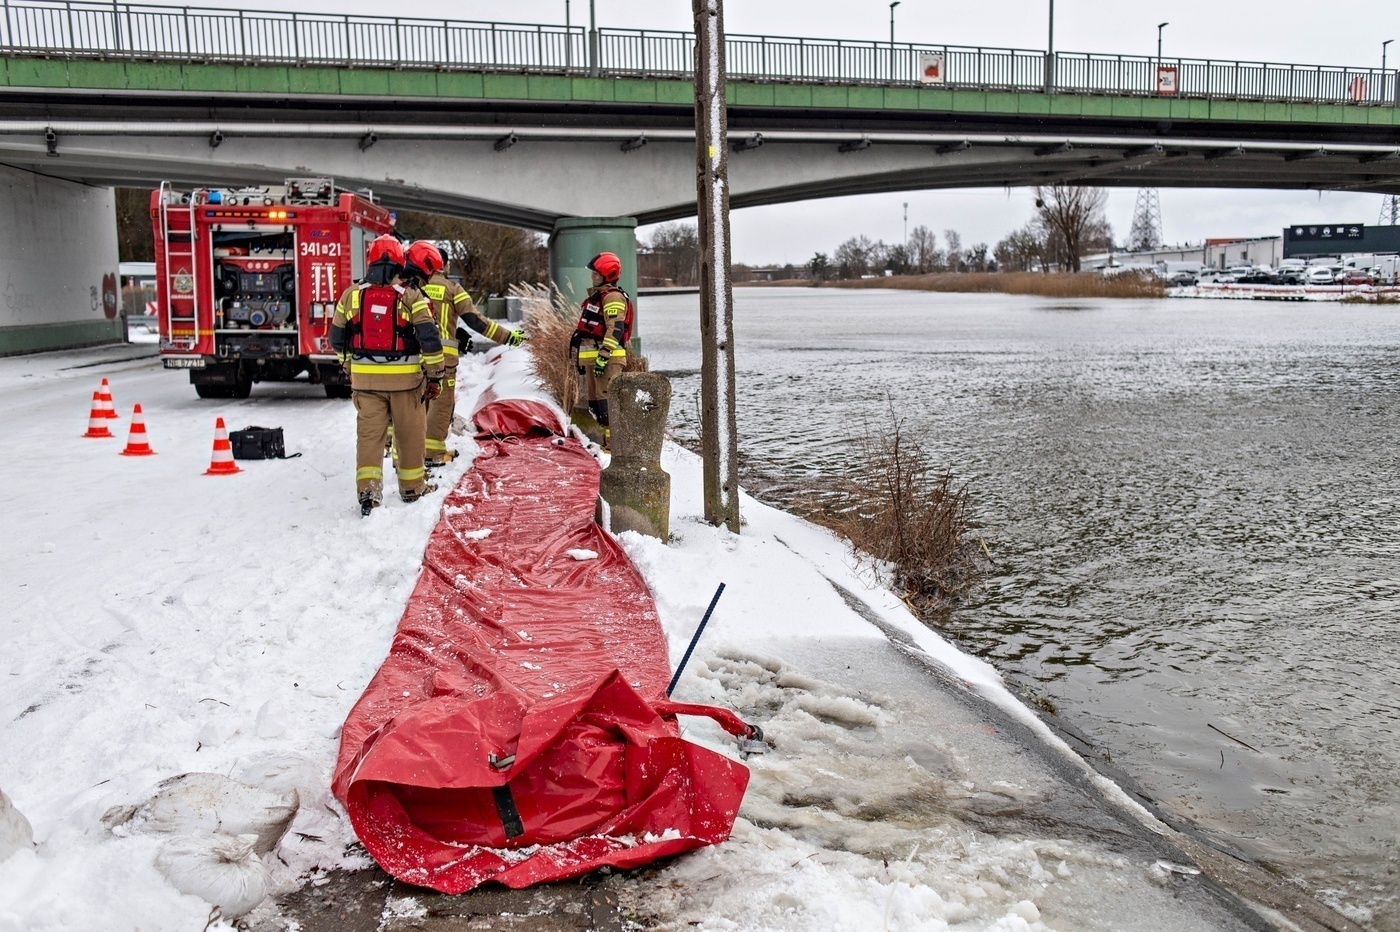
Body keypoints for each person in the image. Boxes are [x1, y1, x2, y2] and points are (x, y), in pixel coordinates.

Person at [329, 235, 445, 515]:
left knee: (369, 437)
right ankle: (412, 488)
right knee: (410, 434)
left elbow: (336, 337)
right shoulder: (411, 296)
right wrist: (435, 376)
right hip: (406, 383)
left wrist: (348, 365)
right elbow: (430, 340)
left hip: (365, 383)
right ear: (398, 263)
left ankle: (368, 492)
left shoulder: (351, 295)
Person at [404, 240, 528, 467]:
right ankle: (433, 453)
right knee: (441, 406)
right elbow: (476, 321)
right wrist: (508, 337)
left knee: (415, 406)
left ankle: (409, 455)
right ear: (444, 265)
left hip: (412, 357)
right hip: (442, 359)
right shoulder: (452, 289)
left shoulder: (409, 287)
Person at [569, 251, 634, 448]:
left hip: (608, 360)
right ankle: (606, 446)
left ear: (607, 275)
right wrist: (581, 360)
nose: (592, 276)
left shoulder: (613, 297)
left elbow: (616, 329)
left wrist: (603, 357)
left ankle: (614, 448)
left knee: (609, 407)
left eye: (596, 274)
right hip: (594, 360)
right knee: (597, 407)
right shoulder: (598, 297)